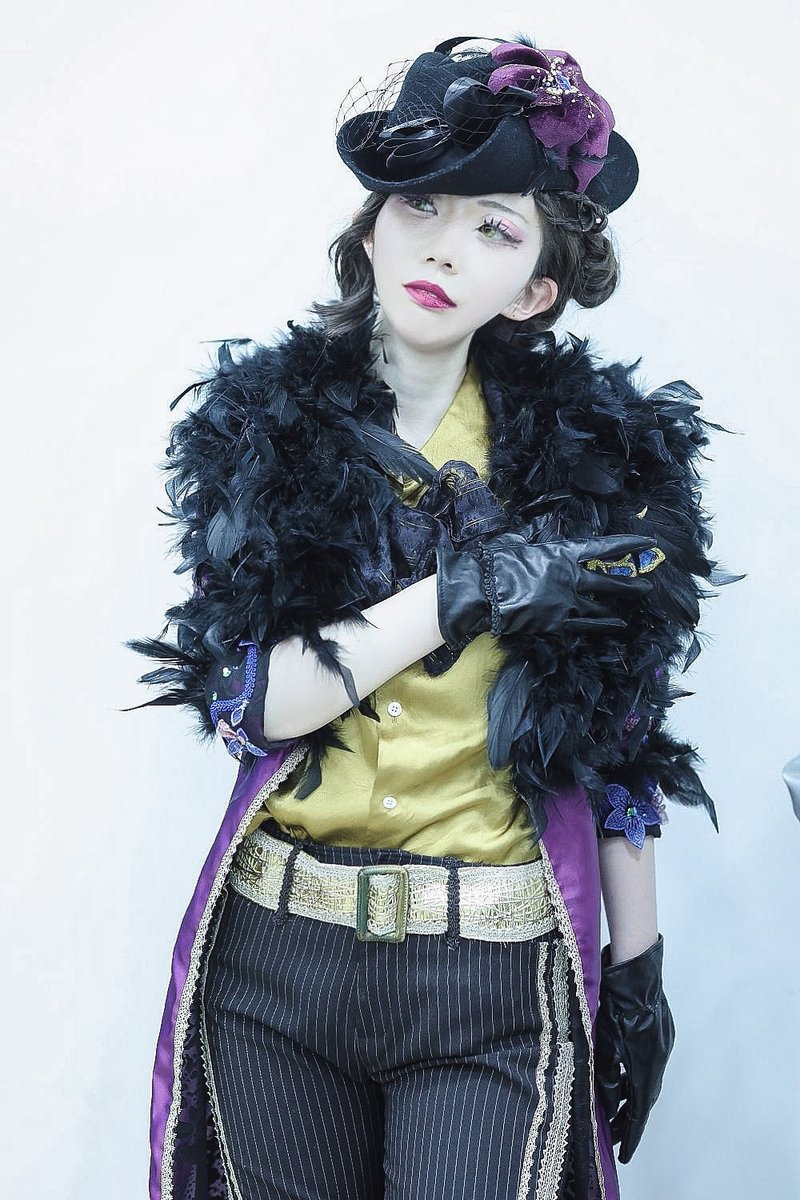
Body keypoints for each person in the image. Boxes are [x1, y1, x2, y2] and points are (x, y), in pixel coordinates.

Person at [125, 33, 743, 1200]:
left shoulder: (600, 468)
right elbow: (250, 704)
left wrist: (636, 969)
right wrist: (463, 592)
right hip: (274, 965)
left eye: (495, 230)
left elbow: (622, 742)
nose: (445, 247)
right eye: (419, 205)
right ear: (369, 228)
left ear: (535, 289)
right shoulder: (261, 431)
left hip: (491, 975)